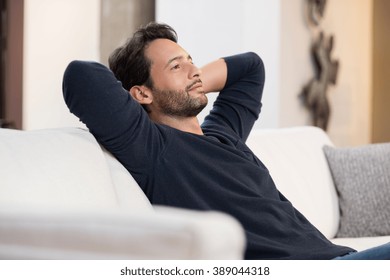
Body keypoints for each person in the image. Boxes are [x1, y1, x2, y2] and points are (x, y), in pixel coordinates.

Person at [62, 22, 389, 260]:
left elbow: (251, 68)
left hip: (341, 260)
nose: (194, 70)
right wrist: (144, 98)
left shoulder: (224, 134)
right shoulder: (152, 148)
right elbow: (80, 76)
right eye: (177, 65)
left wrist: (187, 76)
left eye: (191, 59)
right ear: (142, 93)